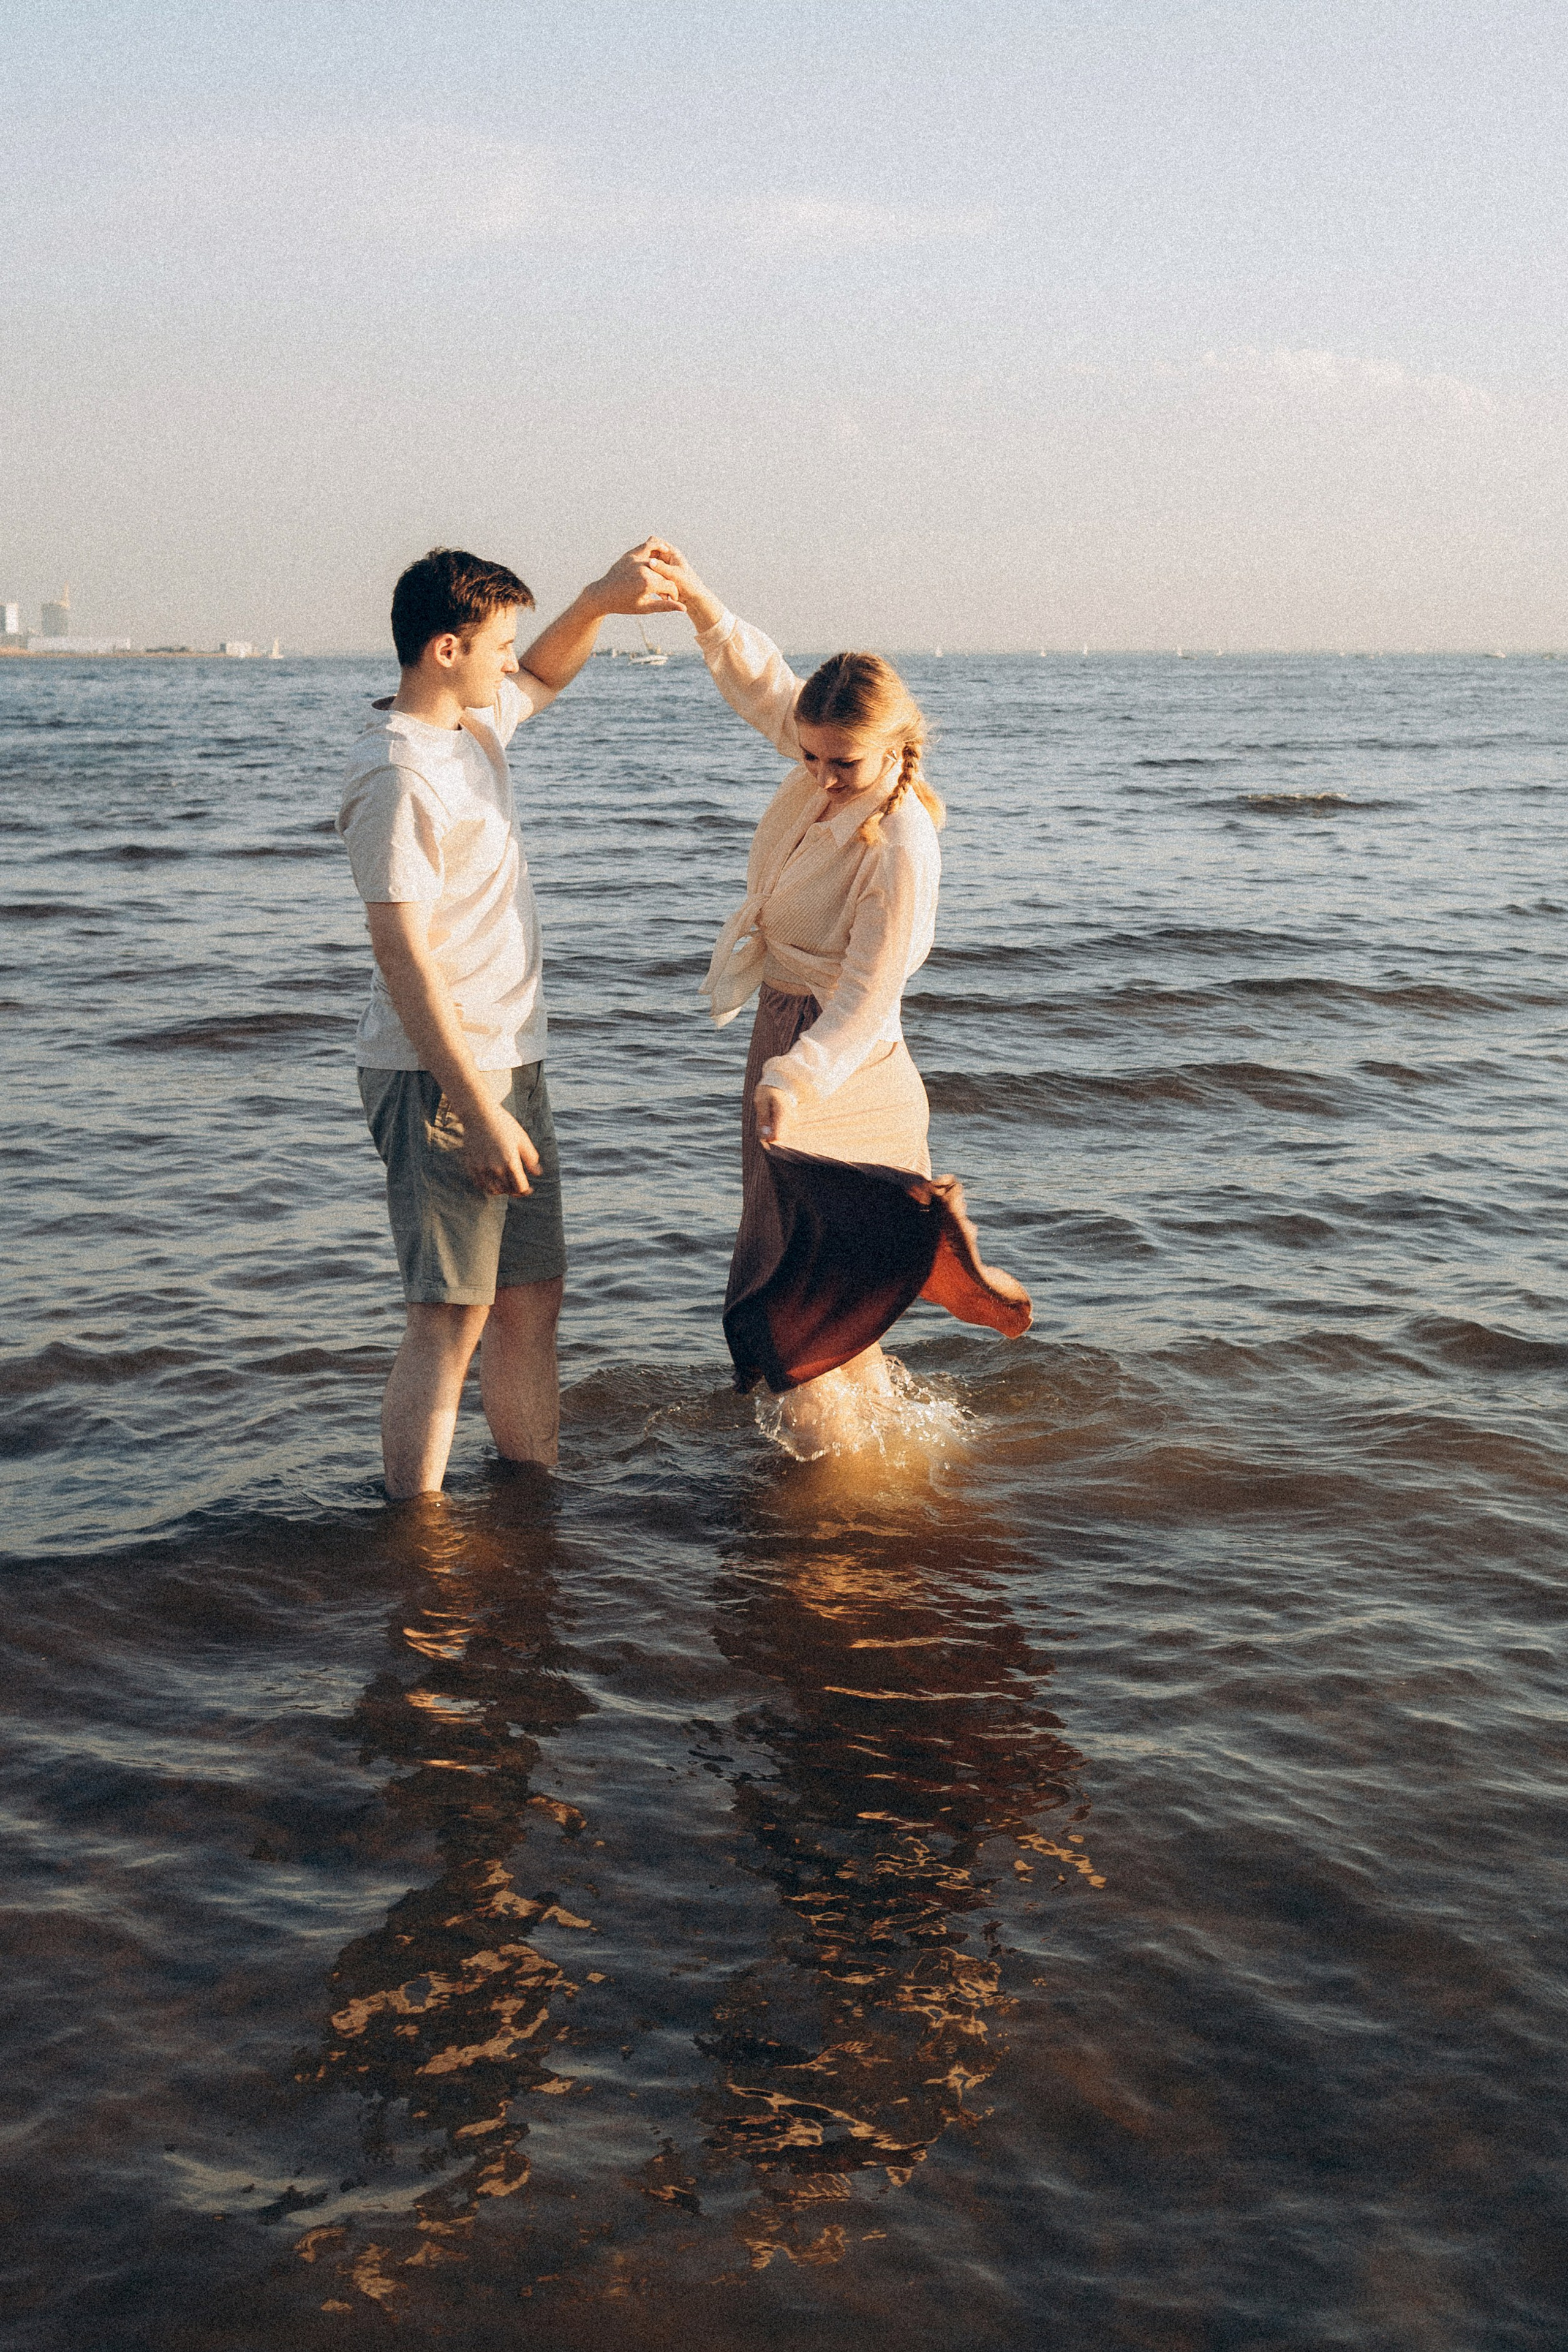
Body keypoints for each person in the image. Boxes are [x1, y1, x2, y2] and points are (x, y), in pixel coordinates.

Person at [646, 542, 1028, 1446]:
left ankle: (835, 1516)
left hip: (840, 1068)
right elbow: (765, 687)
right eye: (810, 756)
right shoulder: (828, 766)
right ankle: (888, 1483)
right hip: (790, 1044)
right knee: (830, 1309)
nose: (819, 776)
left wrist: (793, 1077)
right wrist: (702, 603)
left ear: (897, 747)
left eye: (841, 764)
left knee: (798, 1308)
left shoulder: (900, 846)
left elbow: (867, 998)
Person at [338, 540, 677, 1498]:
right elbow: (400, 952)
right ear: (445, 648)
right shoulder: (400, 773)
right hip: (444, 1076)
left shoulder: (472, 730)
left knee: (531, 1299)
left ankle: (532, 1507)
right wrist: (475, 1105)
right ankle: (419, 1540)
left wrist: (601, 601)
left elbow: (543, 678)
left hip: (510, 1060)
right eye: (498, 644)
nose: (512, 663)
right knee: (449, 1316)